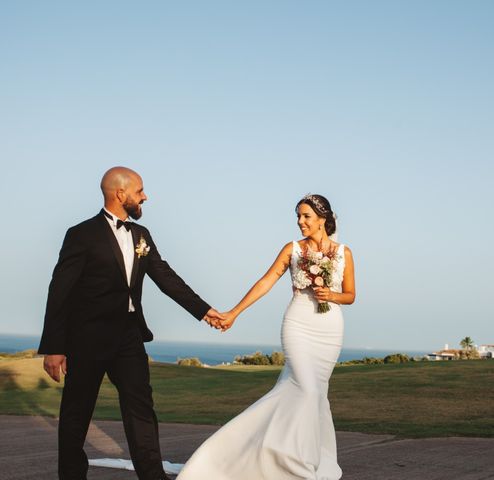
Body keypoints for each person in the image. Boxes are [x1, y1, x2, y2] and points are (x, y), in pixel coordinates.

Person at [38, 166, 222, 480]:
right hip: (86, 339)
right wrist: (54, 347)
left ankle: (152, 476)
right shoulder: (81, 234)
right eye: (139, 191)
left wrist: (205, 311)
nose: (144, 196)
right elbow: (60, 292)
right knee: (76, 414)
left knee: (141, 411)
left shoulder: (141, 235)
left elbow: (166, 278)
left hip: (129, 338)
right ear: (120, 194)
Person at [176, 193, 356, 480]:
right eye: (298, 216)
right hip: (298, 324)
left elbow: (351, 295)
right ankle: (294, 466)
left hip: (330, 328)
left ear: (323, 219)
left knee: (317, 396)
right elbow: (266, 281)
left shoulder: (344, 252)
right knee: (307, 389)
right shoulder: (292, 249)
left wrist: (330, 294)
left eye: (306, 216)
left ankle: (307, 458)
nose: (300, 221)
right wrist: (234, 312)